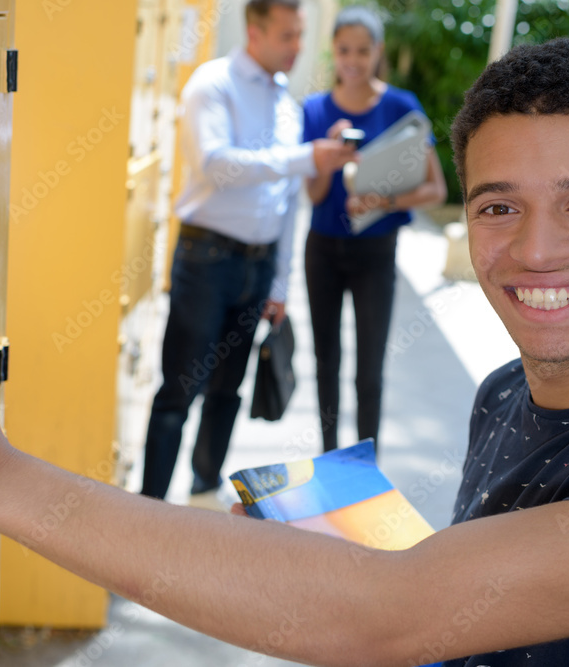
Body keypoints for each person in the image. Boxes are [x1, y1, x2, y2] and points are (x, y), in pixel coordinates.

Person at [0, 38, 569, 666]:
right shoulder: (504, 392)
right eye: (498, 206)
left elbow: (396, 613)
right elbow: (473, 605)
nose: (535, 249)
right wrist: (340, 542)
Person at [140, 0, 356, 505]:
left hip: (257, 268)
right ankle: (146, 511)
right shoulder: (212, 85)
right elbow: (217, 165)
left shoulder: (287, 102)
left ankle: (202, 495)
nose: (298, 47)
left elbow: (284, 203)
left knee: (226, 391)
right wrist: (306, 158)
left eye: (301, 35)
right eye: (288, 36)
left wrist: (279, 284)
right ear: (254, 33)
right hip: (206, 261)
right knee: (178, 392)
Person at [301, 6, 447, 453]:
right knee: (326, 361)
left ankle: (367, 467)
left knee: (369, 368)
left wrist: (383, 201)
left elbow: (435, 189)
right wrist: (331, 157)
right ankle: (329, 458)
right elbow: (313, 194)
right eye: (344, 50)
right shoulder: (315, 109)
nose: (353, 60)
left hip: (376, 252)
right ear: (333, 51)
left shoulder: (402, 107)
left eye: (363, 51)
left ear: (377, 52)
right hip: (322, 250)